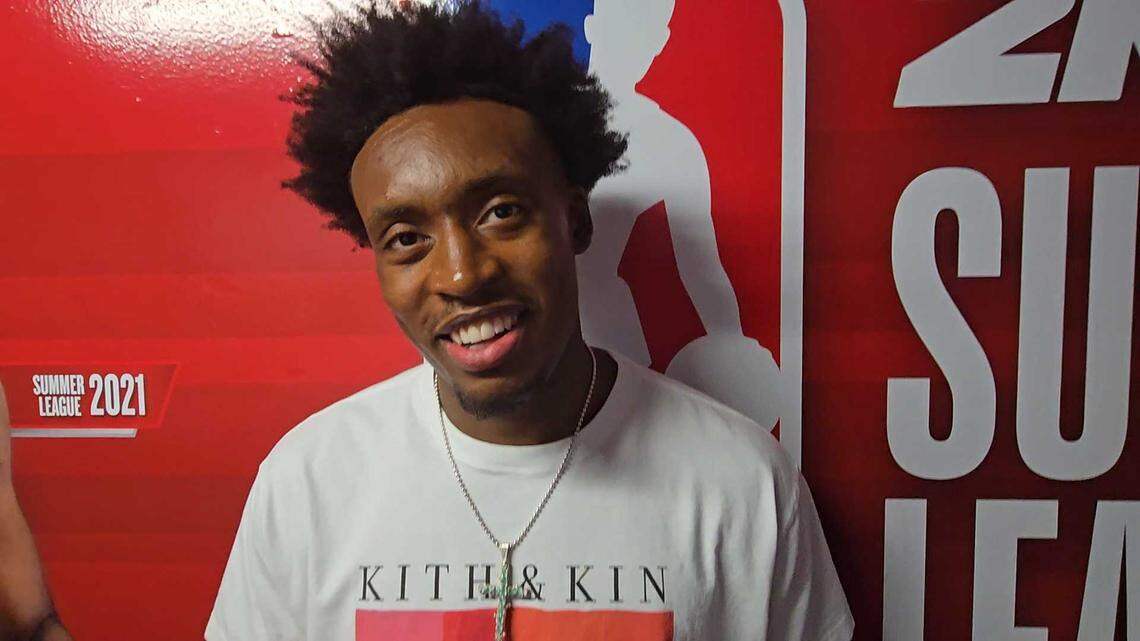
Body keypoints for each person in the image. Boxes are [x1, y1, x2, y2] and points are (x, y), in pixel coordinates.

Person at [1, 2, 854, 640]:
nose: (461, 274)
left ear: (575, 218)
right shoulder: (308, 483)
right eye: (407, 238)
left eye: (500, 212)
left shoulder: (742, 483)